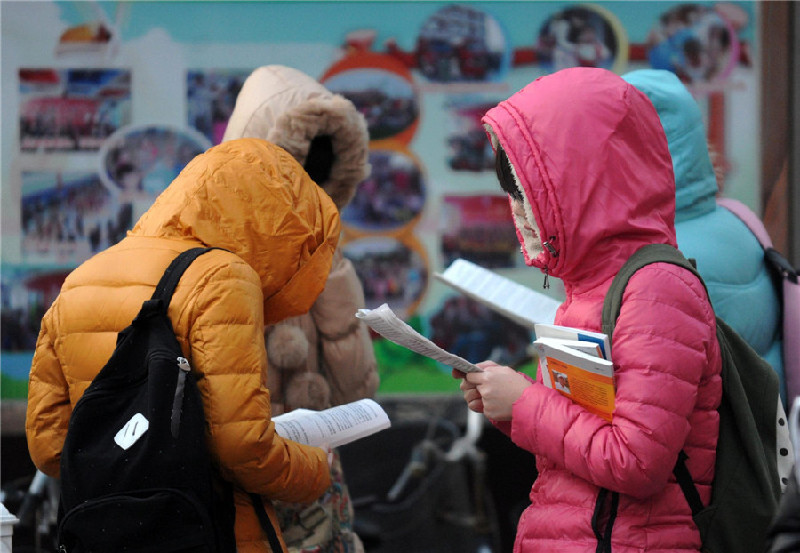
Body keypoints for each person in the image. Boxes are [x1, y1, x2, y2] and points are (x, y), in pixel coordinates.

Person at [26, 138, 340, 553]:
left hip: (104, 530)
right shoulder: (223, 277)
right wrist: (317, 469)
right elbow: (241, 449)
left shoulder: (83, 277)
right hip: (206, 528)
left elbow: (49, 445)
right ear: (268, 219)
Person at [454, 67, 722, 552]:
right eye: (512, 194)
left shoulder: (656, 289)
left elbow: (637, 461)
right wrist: (507, 409)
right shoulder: (591, 285)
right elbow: (585, 429)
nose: (517, 210)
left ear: (582, 184)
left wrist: (524, 402)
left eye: (528, 192)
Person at [223, 64, 379, 553]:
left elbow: (358, 392)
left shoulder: (325, 255)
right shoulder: (211, 258)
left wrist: (331, 280)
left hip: (316, 477)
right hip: (242, 488)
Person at [622, 68, 785, 406]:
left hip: (716, 451)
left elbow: (644, 416)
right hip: (756, 434)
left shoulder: (667, 262)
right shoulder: (730, 216)